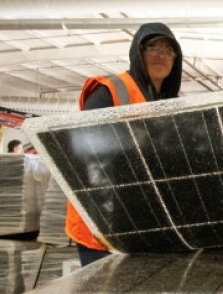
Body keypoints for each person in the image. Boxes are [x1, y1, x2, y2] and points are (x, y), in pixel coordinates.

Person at [67, 22, 183, 266]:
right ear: (138, 53)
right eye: (153, 47)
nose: (161, 54)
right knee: (103, 290)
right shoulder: (112, 90)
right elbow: (87, 153)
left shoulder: (167, 104)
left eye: (169, 50)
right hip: (101, 222)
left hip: (138, 223)